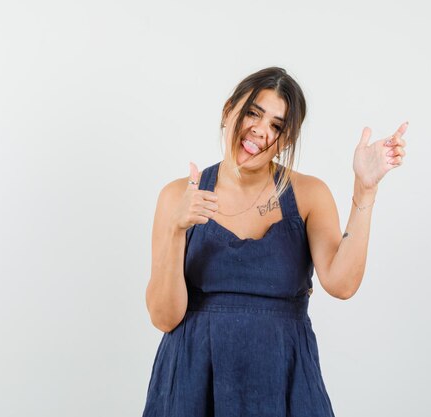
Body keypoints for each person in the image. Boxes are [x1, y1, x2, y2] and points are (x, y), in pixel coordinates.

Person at [142, 67, 408, 417]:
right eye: (253, 112)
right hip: (192, 386)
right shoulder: (176, 196)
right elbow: (163, 317)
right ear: (228, 111)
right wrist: (177, 230)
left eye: (277, 126)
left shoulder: (310, 194)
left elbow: (342, 284)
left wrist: (365, 189)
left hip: (283, 383)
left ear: (285, 142)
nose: (261, 130)